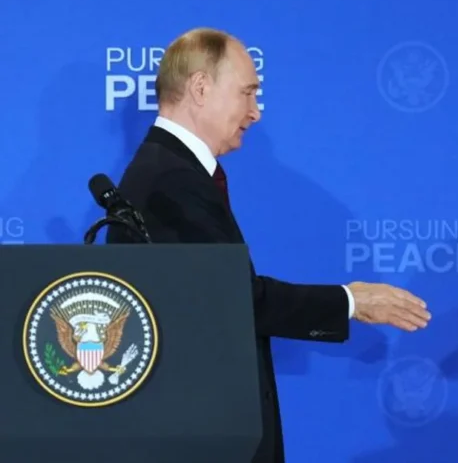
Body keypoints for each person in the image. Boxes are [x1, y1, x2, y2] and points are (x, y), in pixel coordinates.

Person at [106, 28, 432, 463]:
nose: (256, 112)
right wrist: (350, 301)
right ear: (200, 88)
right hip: (203, 435)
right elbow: (229, 300)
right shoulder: (171, 180)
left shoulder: (170, 170)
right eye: (247, 93)